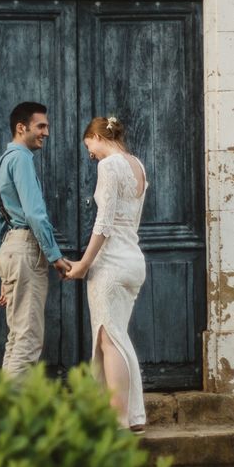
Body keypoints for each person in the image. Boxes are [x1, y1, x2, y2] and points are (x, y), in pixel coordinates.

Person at [65, 115, 148, 432]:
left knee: (107, 339)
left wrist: (83, 264)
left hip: (111, 262)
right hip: (133, 261)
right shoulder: (138, 165)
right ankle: (135, 416)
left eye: (90, 147)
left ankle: (118, 419)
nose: (90, 155)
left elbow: (104, 223)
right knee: (118, 336)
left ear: (98, 137)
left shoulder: (109, 166)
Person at [0, 102, 71, 377]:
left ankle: (3, 406)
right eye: (41, 126)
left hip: (9, 250)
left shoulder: (0, 163)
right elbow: (35, 214)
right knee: (28, 337)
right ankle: (14, 415)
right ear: (21, 128)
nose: (46, 132)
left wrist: (3, 271)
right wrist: (55, 256)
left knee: (16, 337)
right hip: (26, 248)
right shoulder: (22, 159)